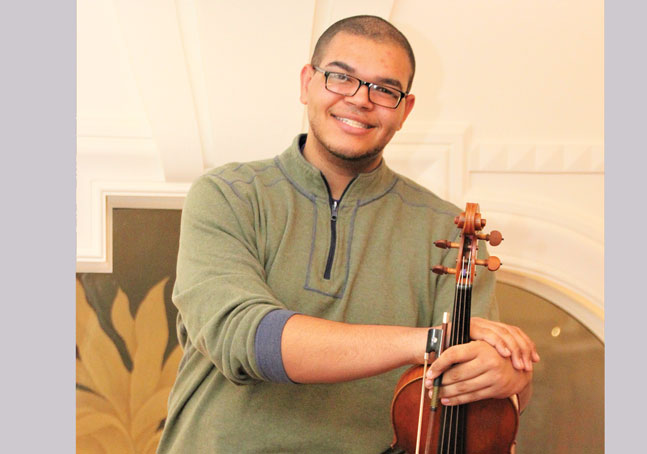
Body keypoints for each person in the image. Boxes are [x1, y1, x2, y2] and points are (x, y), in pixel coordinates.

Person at [157, 15, 539, 454]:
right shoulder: (228, 195)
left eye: (384, 89)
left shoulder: (447, 227)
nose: (360, 100)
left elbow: (476, 398)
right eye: (341, 77)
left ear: (405, 110)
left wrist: (509, 380)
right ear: (307, 83)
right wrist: (430, 341)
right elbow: (245, 339)